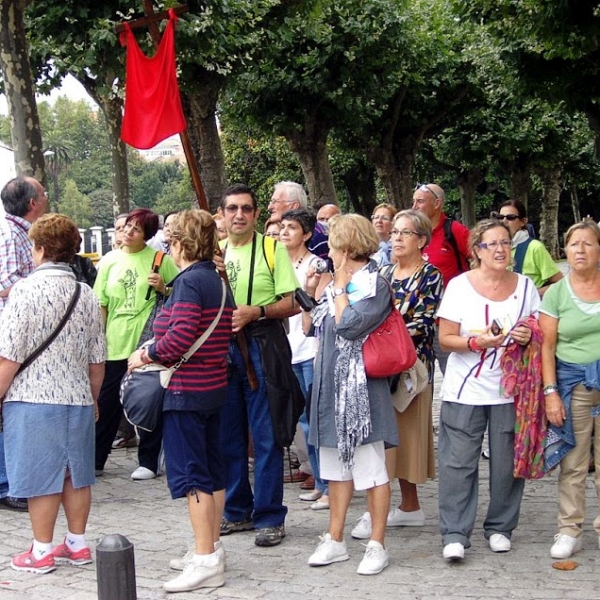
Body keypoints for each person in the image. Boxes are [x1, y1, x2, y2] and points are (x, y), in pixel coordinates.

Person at [127, 210, 234, 592]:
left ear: (181, 243)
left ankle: (205, 560)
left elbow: (178, 340)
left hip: (187, 390)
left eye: (171, 240)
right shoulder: (218, 279)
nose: (167, 247)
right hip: (213, 387)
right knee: (213, 469)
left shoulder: (189, 282)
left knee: (192, 476)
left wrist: (145, 353)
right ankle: (212, 548)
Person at [0, 213, 106, 574]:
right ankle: (77, 544)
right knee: (75, 474)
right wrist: (93, 398)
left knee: (41, 476)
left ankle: (41, 551)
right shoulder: (86, 293)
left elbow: (9, 356)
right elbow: (97, 360)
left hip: (32, 399)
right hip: (77, 397)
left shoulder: (25, 290)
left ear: (41, 249)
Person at [437, 218, 540, 561]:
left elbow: (538, 330)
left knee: (508, 463)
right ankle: (454, 532)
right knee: (457, 463)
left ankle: (500, 527)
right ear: (476, 251)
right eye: (491, 244)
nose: (499, 249)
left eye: (505, 243)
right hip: (465, 389)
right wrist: (475, 341)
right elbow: (445, 339)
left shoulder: (526, 286)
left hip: (510, 391)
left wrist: (528, 335)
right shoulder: (459, 286)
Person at [303, 213, 398, 576]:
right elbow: (315, 327)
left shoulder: (374, 284)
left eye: (331, 243)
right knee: (335, 468)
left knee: (371, 469)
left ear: (346, 247)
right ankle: (335, 538)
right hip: (331, 389)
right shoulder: (334, 283)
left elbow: (350, 326)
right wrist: (318, 292)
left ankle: (376, 543)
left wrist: (340, 290)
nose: (327, 249)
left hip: (361, 394)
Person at [218, 184, 301, 548]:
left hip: (262, 344)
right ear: (221, 214)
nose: (239, 215)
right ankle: (237, 510)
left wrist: (258, 311)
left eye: (246, 209)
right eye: (232, 208)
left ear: (255, 214)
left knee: (265, 435)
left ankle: (269, 515)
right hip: (222, 349)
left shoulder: (271, 249)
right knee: (228, 435)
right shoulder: (213, 254)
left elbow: (292, 303)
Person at [351, 210, 442, 539]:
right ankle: (380, 508)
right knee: (381, 440)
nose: (398, 238)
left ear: (421, 240)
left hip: (411, 369)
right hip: (378, 367)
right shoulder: (383, 272)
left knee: (405, 440)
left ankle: (408, 505)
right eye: (396, 232)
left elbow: (425, 322)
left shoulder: (430, 275)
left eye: (406, 232)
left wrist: (384, 328)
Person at [93, 208, 179, 478]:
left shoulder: (160, 259)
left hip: (146, 344)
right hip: (114, 342)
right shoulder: (109, 261)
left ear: (148, 234)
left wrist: (164, 288)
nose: (128, 232)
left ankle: (149, 461)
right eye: (127, 226)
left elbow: (181, 295)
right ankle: (95, 458)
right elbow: (101, 304)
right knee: (106, 405)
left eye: (137, 229)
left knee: (147, 400)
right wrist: (98, 340)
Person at [540, 221, 600, 560]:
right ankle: (569, 529)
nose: (580, 250)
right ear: (565, 251)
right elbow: (547, 347)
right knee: (574, 462)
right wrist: (550, 392)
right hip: (573, 384)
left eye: (588, 244)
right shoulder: (557, 293)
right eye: (574, 244)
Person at [0, 176, 49, 512]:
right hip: (10, 335)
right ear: (33, 202)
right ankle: (8, 484)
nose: (46, 197)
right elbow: (7, 283)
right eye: (43, 193)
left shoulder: (21, 233)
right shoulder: (9, 234)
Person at [279, 208, 332, 510]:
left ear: (308, 234)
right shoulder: (277, 264)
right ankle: (318, 479)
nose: (285, 232)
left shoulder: (317, 265)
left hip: (310, 350)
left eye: (292, 227)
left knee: (316, 421)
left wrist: (309, 289)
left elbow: (319, 309)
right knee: (302, 420)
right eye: (283, 227)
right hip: (287, 350)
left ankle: (328, 485)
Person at [412, 183, 470, 374]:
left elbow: (480, 258)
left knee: (454, 374)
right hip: (420, 322)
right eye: (414, 201)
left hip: (447, 322)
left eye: (420, 201)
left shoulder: (455, 231)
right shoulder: (414, 234)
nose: (414, 207)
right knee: (417, 384)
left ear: (436, 204)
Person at [493, 199, 562, 296]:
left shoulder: (535, 247)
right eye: (500, 217)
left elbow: (560, 283)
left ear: (523, 222)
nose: (504, 221)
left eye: (510, 217)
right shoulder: (493, 248)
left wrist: (531, 296)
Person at [268, 181, 329, 259]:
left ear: (294, 206)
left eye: (275, 201)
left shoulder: (317, 235)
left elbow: (324, 268)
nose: (269, 207)